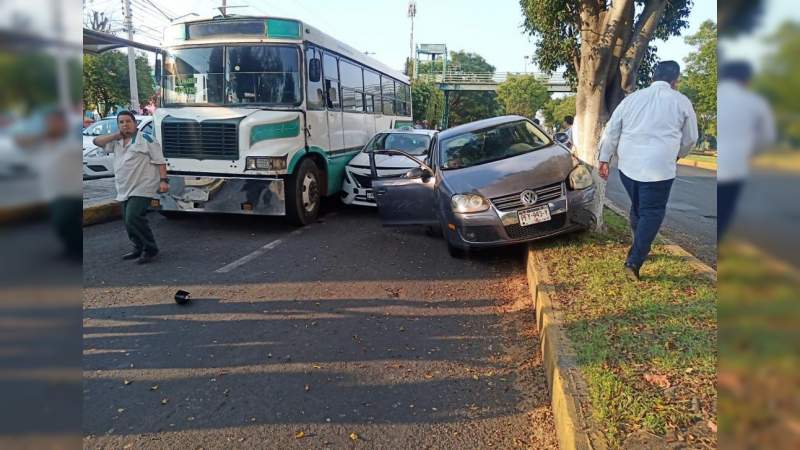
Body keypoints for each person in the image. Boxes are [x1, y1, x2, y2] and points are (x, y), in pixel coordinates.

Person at [598, 60, 698, 281]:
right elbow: (691, 138)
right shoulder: (681, 101)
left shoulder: (632, 99)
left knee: (640, 208)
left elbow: (612, 130)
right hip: (660, 169)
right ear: (675, 81)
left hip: (628, 168)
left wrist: (604, 158)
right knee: (652, 212)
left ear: (653, 77)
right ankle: (635, 259)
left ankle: (639, 243)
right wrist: (678, 154)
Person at [93, 111, 169, 264]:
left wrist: (163, 181)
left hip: (143, 185)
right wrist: (115, 136)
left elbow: (160, 161)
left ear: (135, 123)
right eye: (121, 122)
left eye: (128, 121)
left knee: (133, 217)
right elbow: (96, 141)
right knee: (128, 221)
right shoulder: (116, 141)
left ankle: (150, 249)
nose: (125, 124)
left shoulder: (146, 139)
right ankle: (138, 247)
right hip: (124, 187)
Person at [717, 61, 776, 240]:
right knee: (725, 213)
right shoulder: (755, 102)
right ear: (747, 80)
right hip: (736, 167)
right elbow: (767, 137)